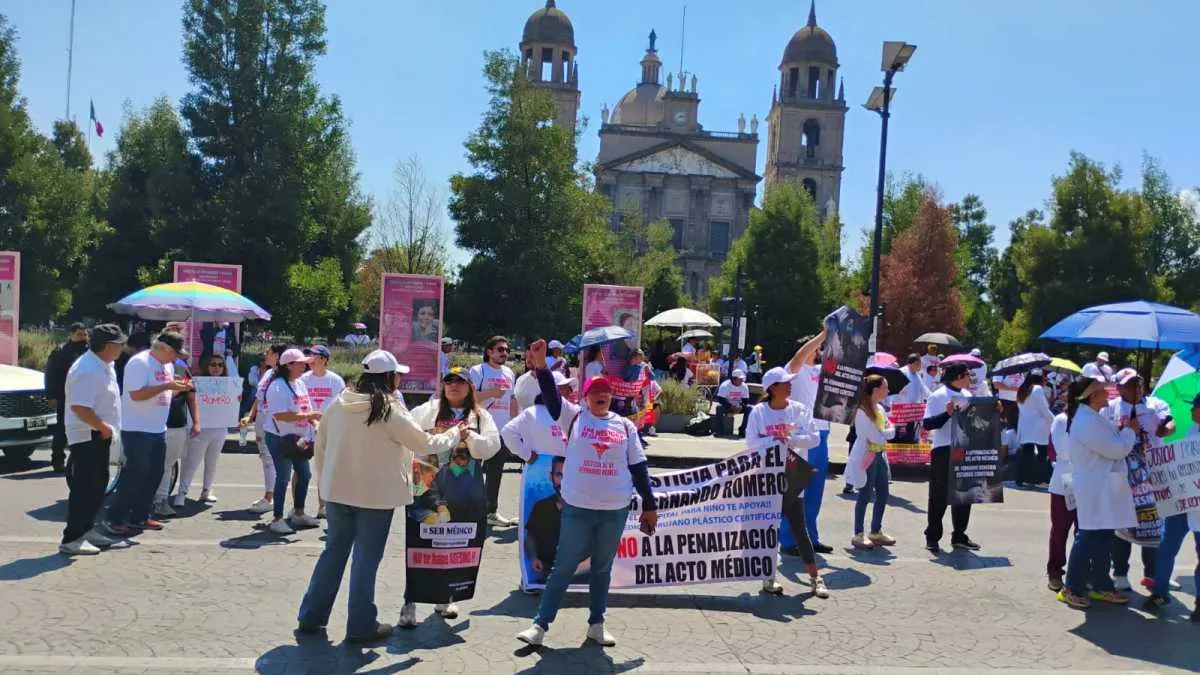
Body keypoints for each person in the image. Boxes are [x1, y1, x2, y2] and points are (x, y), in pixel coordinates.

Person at [296, 349, 462, 644]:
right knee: (365, 560)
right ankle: (361, 626)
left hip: (337, 492)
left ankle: (311, 616)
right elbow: (424, 443)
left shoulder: (338, 403)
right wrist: (455, 434)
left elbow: (321, 447)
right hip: (375, 497)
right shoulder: (387, 409)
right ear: (389, 376)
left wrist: (324, 486)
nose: (399, 379)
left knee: (333, 553)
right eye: (397, 374)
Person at [515, 340, 657, 648]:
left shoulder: (625, 427)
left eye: (605, 391)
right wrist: (541, 365)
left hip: (614, 510)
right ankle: (540, 625)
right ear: (585, 397)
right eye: (595, 391)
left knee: (602, 569)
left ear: (612, 396)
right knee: (563, 566)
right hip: (578, 508)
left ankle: (596, 624)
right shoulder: (574, 417)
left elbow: (639, 467)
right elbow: (551, 398)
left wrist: (650, 505)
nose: (601, 395)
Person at [399, 366, 501, 627]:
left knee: (455, 545)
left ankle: (445, 599)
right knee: (421, 546)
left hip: (464, 492)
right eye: (449, 381)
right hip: (426, 488)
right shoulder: (427, 410)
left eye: (460, 381)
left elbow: (492, 447)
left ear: (470, 387)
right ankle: (409, 602)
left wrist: (469, 435)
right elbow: (408, 435)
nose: (454, 386)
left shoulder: (481, 416)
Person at [745, 367, 828, 599]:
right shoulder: (759, 412)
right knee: (768, 530)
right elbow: (751, 442)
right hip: (767, 477)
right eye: (785, 382)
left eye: (790, 381)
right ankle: (768, 577)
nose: (790, 385)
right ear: (772, 388)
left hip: (793, 478)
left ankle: (815, 578)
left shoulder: (800, 410)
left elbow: (814, 439)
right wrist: (774, 440)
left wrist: (790, 439)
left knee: (800, 530)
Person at [1058, 377, 1138, 608]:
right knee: (1089, 537)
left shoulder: (1093, 417)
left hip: (1102, 486)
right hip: (1094, 488)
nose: (1108, 393)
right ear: (1093, 396)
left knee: (1104, 536)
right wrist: (1130, 432)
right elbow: (1116, 449)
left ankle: (1101, 585)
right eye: (1103, 390)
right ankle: (1071, 587)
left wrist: (1123, 431)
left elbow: (1111, 443)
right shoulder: (1086, 421)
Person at [105, 331, 191, 537]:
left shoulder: (167, 366)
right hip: (137, 428)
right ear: (163, 348)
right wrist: (167, 385)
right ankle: (115, 519)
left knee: (154, 474)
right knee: (135, 474)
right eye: (174, 353)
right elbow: (136, 394)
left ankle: (140, 516)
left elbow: (163, 393)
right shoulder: (139, 363)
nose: (175, 359)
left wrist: (177, 389)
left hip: (158, 428)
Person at [500, 369, 578, 588]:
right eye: (565, 388)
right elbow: (507, 432)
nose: (570, 391)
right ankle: (531, 579)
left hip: (570, 475)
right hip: (538, 473)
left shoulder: (573, 413)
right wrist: (526, 454)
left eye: (569, 388)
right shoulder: (533, 413)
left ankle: (563, 578)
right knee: (534, 526)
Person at [1103, 369, 1174, 591]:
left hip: (1152, 476)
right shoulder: (1110, 407)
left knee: (1153, 525)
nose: (1136, 388)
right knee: (1122, 525)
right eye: (1130, 385)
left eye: (1138, 384)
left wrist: (1165, 429)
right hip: (1122, 475)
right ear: (1119, 388)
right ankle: (1120, 573)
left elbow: (1170, 423)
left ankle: (1153, 574)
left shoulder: (1156, 404)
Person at [59, 325, 126, 555]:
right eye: (119, 344)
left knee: (98, 486)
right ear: (108, 346)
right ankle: (72, 539)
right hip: (88, 434)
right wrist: (102, 427)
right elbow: (79, 407)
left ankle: (86, 530)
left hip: (99, 433)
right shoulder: (87, 369)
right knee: (85, 487)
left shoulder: (104, 365)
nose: (122, 348)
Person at [1144, 392, 1200, 620]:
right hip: (1182, 502)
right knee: (1166, 547)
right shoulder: (1192, 431)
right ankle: (1160, 592)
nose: (1190, 410)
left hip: (1197, 506)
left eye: (1194, 406)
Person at [783, 330, 834, 554]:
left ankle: (811, 537)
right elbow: (799, 357)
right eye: (815, 348)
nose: (818, 351)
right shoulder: (793, 370)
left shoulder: (819, 370)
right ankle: (788, 540)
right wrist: (825, 333)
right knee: (796, 488)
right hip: (801, 435)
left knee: (815, 490)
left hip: (821, 433)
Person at [921, 363, 981, 552]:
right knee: (939, 495)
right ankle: (932, 536)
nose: (970, 378)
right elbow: (928, 424)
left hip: (964, 448)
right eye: (968, 375)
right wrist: (947, 414)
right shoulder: (938, 395)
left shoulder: (968, 395)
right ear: (959, 377)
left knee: (964, 494)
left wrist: (993, 411)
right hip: (944, 448)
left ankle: (959, 535)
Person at [263, 348, 322, 534]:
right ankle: (277, 518)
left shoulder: (299, 383)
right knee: (283, 477)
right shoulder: (277, 386)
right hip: (279, 437)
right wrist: (309, 416)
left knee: (304, 474)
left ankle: (298, 513)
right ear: (288, 365)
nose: (305, 366)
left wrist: (316, 424)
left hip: (298, 438)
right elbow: (280, 415)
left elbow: (307, 409)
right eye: (301, 363)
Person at [468, 336, 518, 527]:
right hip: (479, 429)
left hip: (502, 431)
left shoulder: (509, 372)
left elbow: (512, 400)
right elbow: (467, 397)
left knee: (495, 473)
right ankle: (467, 510)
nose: (504, 353)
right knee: (471, 471)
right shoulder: (478, 371)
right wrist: (490, 393)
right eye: (500, 349)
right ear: (489, 351)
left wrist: (515, 425)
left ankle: (491, 512)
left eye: (506, 350)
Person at [844, 374, 896, 549]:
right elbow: (876, 436)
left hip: (879, 455)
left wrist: (886, 432)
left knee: (883, 493)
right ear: (875, 390)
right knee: (865, 494)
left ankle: (876, 531)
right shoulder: (862, 411)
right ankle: (858, 533)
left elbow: (890, 429)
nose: (888, 391)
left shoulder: (879, 408)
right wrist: (886, 433)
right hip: (867, 456)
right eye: (885, 387)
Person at [173, 356, 232, 507]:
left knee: (212, 462)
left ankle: (207, 490)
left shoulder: (230, 384)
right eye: (213, 364)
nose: (216, 367)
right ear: (207, 366)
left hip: (220, 428)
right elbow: (190, 400)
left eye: (220, 365)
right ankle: (182, 493)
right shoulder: (197, 382)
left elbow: (232, 404)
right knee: (192, 463)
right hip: (201, 429)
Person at [1046, 380, 1087, 592]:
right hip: (1067, 481)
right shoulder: (1062, 420)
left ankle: (1081, 573)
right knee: (1061, 529)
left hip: (1088, 481)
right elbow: (1064, 452)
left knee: (1085, 531)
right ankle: (1055, 571)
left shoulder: (1092, 420)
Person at [240, 344, 287, 514]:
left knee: (269, 459)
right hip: (261, 419)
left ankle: (269, 498)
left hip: (273, 421)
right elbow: (259, 398)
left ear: (277, 356)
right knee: (265, 457)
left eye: (269, 352)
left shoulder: (285, 377)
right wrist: (250, 416)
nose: (265, 355)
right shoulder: (268, 373)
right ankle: (269, 496)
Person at [153, 359, 199, 517]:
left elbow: (192, 398)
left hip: (177, 425)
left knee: (168, 465)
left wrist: (196, 422)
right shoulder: (150, 368)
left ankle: (161, 501)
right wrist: (173, 388)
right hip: (152, 425)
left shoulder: (182, 369)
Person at [45, 322, 90, 472]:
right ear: (71, 335)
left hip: (85, 396)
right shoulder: (61, 351)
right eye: (79, 334)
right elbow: (51, 374)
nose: (82, 337)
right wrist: (51, 395)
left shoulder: (90, 351)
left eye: (84, 334)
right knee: (62, 429)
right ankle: (57, 460)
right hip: (65, 396)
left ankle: (80, 461)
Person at [1016, 371, 1054, 488]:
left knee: (1027, 454)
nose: (1045, 380)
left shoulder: (1022, 389)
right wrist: (1055, 420)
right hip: (1038, 427)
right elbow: (1043, 409)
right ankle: (1039, 480)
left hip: (1026, 426)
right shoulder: (1037, 389)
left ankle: (1022, 479)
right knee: (1042, 454)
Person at [712, 369, 752, 438]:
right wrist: (730, 406)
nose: (742, 380)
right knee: (719, 408)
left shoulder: (744, 386)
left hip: (738, 407)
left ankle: (743, 430)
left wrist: (741, 406)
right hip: (727, 406)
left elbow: (746, 400)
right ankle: (718, 430)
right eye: (740, 379)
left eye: (742, 379)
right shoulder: (725, 385)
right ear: (734, 379)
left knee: (749, 408)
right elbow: (721, 399)